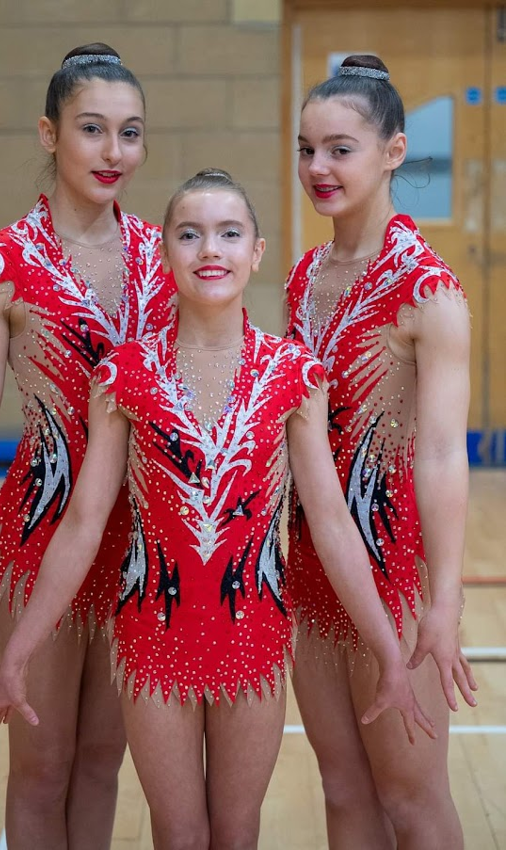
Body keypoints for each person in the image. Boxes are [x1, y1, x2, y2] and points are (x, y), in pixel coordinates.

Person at [0, 168, 435, 850]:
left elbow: (333, 524)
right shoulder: (122, 376)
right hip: (152, 643)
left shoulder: (294, 374)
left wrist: (389, 657)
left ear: (255, 252)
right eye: (188, 234)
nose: (208, 249)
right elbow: (82, 521)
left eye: (228, 234)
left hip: (252, 640)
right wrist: (17, 651)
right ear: (164, 253)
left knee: (236, 831)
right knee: (181, 834)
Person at [0, 43, 175, 850]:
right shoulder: (0, 265)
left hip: (137, 541)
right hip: (38, 532)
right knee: (44, 763)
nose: (114, 152)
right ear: (49, 134)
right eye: (92, 129)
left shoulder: (166, 258)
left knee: (101, 759)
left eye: (130, 133)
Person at [285, 54, 479, 849]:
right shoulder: (301, 276)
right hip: (306, 563)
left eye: (339, 148)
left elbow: (438, 453)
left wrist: (443, 599)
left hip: (391, 573)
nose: (317, 167)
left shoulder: (428, 290)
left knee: (410, 799)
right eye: (305, 148)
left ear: (393, 152)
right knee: (340, 789)